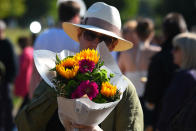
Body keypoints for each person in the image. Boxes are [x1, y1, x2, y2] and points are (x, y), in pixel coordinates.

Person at [15, 2, 143, 131]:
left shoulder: (124, 90)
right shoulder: (56, 75)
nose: (95, 44)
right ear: (79, 35)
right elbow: (25, 125)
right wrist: (56, 88)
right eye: (90, 35)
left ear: (113, 45)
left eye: (105, 39)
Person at [29, 0, 85, 99]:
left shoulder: (42, 36)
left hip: (44, 95)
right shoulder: (78, 39)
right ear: (76, 17)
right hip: (70, 97)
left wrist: (32, 99)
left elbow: (34, 73)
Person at [143, 13, 188, 130]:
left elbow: (151, 96)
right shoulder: (189, 58)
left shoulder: (159, 59)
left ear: (165, 32)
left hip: (164, 118)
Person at [157, 32, 196, 131]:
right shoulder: (189, 76)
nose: (172, 52)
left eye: (176, 48)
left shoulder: (184, 77)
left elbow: (170, 110)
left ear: (187, 51)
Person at [119, 18, 160, 99]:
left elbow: (119, 75)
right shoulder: (157, 52)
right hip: (150, 98)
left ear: (135, 34)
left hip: (130, 98)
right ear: (152, 34)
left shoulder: (125, 53)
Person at [0, 20, 18, 131]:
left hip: (5, 81)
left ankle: (8, 127)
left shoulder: (7, 44)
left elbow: (13, 65)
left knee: (6, 105)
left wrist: (8, 80)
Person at [14, 36, 33, 110]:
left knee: (25, 104)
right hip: (32, 80)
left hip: (26, 80)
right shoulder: (31, 50)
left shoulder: (25, 53)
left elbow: (20, 67)